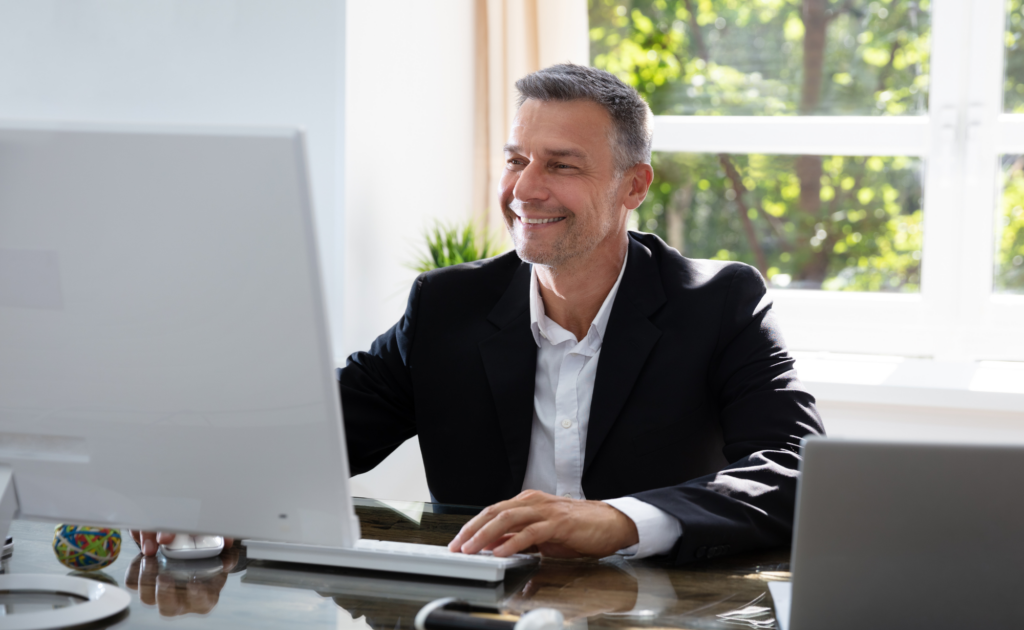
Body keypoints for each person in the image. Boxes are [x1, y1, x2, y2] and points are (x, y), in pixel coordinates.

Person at [137, 64, 822, 563]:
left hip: (657, 618)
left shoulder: (721, 301)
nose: (525, 188)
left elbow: (797, 469)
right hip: (474, 619)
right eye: (517, 159)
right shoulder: (445, 306)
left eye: (560, 165)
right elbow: (324, 430)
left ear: (632, 185)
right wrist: (210, 491)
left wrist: (620, 520)